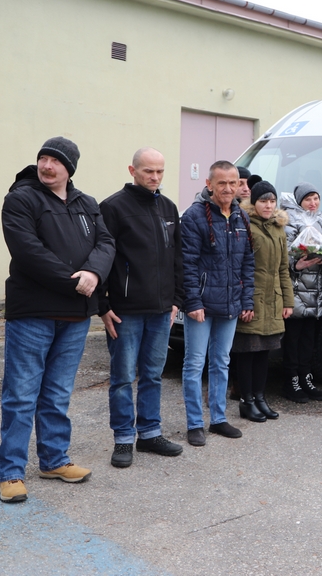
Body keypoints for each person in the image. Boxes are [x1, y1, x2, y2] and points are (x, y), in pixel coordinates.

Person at [0, 137, 115, 503]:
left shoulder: (87, 203)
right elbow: (28, 251)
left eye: (55, 161)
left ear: (70, 168)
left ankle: (53, 460)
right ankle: (11, 472)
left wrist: (93, 274)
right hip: (33, 312)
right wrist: (74, 282)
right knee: (20, 395)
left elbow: (106, 244)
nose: (47, 166)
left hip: (75, 315)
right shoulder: (21, 199)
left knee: (58, 393)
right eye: (43, 159)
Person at [98, 148, 184, 470]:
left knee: (153, 375)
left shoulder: (168, 207)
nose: (155, 177)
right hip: (125, 312)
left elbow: (177, 257)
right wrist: (103, 306)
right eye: (148, 171)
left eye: (160, 171)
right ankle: (123, 439)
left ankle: (149, 433)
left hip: (162, 311)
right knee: (122, 377)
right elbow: (102, 258)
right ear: (132, 170)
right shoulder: (112, 208)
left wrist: (178, 299)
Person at [180, 161, 255, 445]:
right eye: (221, 183)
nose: (227, 188)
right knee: (194, 363)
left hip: (231, 303)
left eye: (232, 183)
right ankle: (195, 423)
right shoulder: (194, 217)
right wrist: (193, 301)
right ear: (209, 184)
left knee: (221, 362)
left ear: (239, 185)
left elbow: (248, 262)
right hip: (201, 305)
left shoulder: (241, 217)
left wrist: (246, 299)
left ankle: (219, 419)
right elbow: (186, 264)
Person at [232, 181, 293, 423]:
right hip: (253, 300)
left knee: (263, 353)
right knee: (247, 351)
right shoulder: (245, 225)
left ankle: (260, 397)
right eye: (263, 201)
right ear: (253, 203)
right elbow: (238, 268)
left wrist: (288, 301)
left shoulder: (278, 229)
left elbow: (283, 269)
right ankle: (246, 400)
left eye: (271, 201)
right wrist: (243, 302)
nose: (268, 205)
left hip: (273, 299)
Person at [281, 182, 322, 403]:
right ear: (299, 202)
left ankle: (306, 378)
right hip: (296, 288)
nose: (313, 203)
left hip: (317, 289)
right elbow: (284, 254)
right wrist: (297, 265)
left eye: (316, 198)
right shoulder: (289, 221)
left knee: (309, 340)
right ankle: (291, 381)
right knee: (293, 339)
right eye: (308, 199)